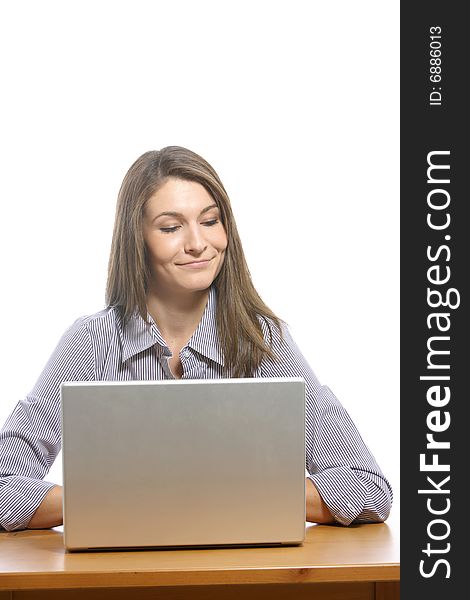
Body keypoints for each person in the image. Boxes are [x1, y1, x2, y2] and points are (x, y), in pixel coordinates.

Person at [0, 146, 392, 532]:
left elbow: (369, 489)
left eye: (210, 221)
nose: (197, 243)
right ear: (137, 239)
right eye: (171, 228)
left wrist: (230, 494)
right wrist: (114, 499)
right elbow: (4, 486)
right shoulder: (91, 341)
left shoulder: (260, 339)